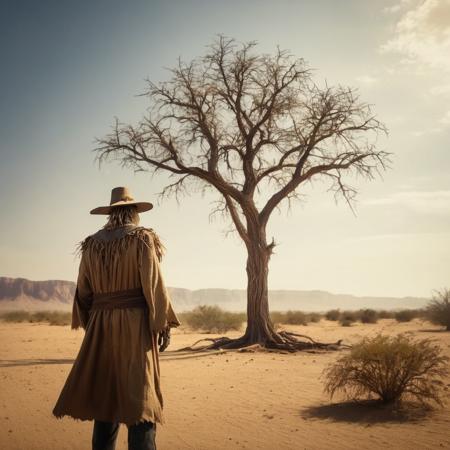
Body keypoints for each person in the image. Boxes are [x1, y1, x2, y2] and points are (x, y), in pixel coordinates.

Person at [52, 186, 181, 450]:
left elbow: (83, 293)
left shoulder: (91, 245)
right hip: (135, 327)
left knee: (106, 400)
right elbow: (153, 285)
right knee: (141, 404)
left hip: (100, 326)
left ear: (111, 213)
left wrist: (95, 326)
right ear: (133, 212)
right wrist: (163, 325)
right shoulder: (143, 238)